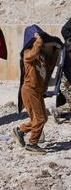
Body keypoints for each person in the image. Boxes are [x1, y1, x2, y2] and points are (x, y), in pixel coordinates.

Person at [13, 25, 61, 155]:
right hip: (29, 90)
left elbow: (49, 68)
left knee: (43, 118)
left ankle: (20, 130)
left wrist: (56, 53)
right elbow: (31, 55)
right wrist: (38, 41)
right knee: (39, 119)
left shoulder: (42, 57)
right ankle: (32, 144)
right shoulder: (27, 53)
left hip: (37, 92)